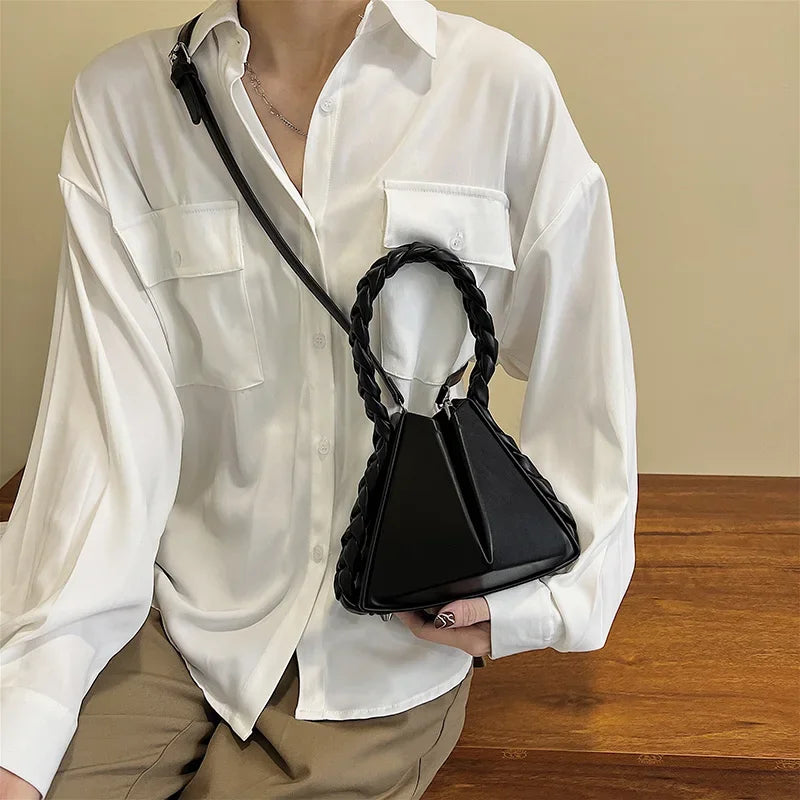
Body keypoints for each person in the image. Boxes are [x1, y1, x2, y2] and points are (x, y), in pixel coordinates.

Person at [0, 0, 639, 798]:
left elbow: (584, 364)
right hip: (168, 615)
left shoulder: (497, 87)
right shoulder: (124, 100)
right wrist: (29, 709)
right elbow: (103, 426)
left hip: (385, 646)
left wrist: (543, 605)